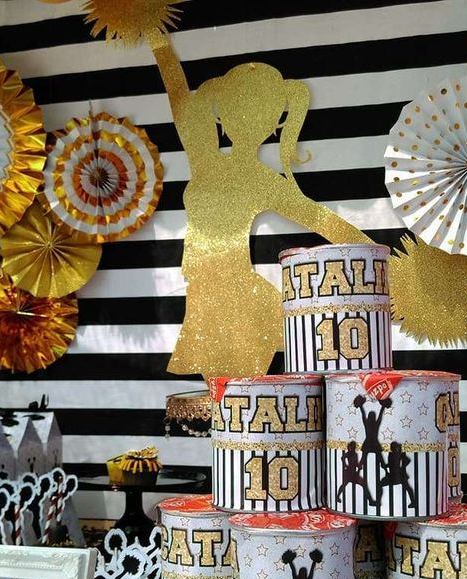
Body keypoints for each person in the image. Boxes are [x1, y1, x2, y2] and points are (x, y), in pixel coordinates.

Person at [143, 27, 374, 377]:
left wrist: (379, 257)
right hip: (210, 293)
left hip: (232, 299)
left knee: (237, 403)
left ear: (276, 122)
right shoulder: (209, 160)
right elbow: (178, 97)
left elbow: (322, 220)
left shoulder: (250, 176)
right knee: (231, 404)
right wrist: (158, 43)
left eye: (257, 113)